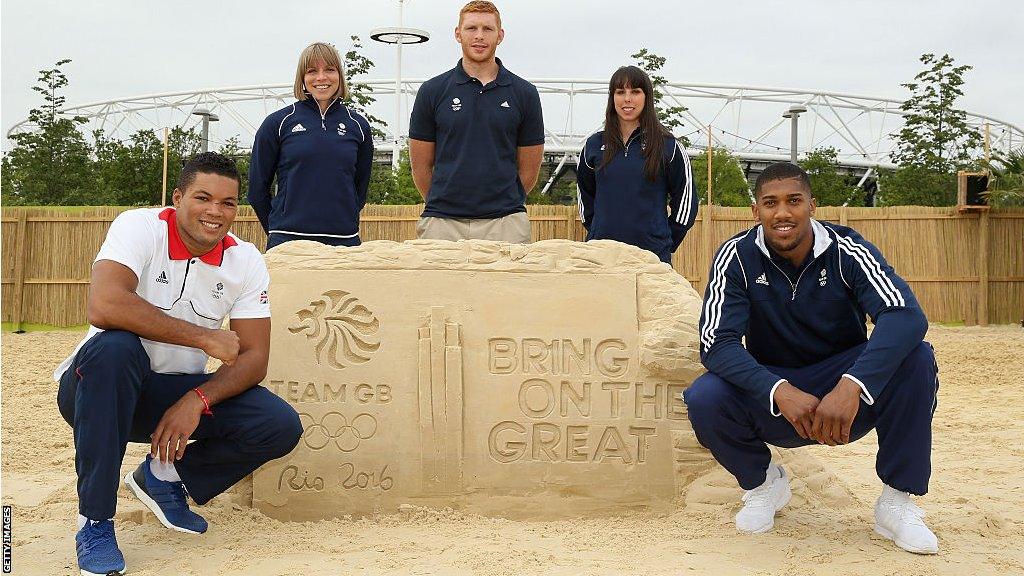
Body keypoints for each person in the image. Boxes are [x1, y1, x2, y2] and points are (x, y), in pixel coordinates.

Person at [55, 153, 302, 575]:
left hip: (170, 394)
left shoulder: (245, 260)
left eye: (228, 203)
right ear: (177, 197)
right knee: (116, 347)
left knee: (277, 423)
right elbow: (105, 304)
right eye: (203, 198)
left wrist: (197, 398)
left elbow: (254, 357)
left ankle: (164, 476)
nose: (215, 211)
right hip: (95, 388)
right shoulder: (139, 226)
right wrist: (205, 337)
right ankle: (94, 523)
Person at [683, 162, 940, 554]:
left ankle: (896, 502)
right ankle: (764, 485)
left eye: (793, 201)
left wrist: (853, 385)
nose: (782, 212)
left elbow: (905, 314)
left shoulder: (847, 249)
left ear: (812, 206)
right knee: (705, 396)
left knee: (917, 358)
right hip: (779, 396)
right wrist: (778, 389)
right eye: (770, 203)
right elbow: (716, 342)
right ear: (756, 212)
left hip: (847, 393)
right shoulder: (735, 256)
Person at [408, 0, 544, 243]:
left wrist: (504, 202)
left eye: (487, 29)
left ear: (500, 35)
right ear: (458, 34)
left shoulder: (525, 93)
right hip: (442, 224)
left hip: (506, 224)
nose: (479, 36)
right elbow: (420, 167)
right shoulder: (432, 91)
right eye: (471, 28)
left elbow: (530, 170)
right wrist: (445, 202)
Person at [249, 41, 374, 250]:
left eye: (330, 70)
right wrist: (276, 229)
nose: (321, 77)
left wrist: (345, 217)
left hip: (344, 242)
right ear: (302, 78)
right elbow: (256, 190)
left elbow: (359, 189)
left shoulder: (358, 126)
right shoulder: (278, 123)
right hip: (288, 241)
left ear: (339, 76)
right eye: (312, 71)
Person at [576, 66, 698, 264]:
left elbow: (686, 201)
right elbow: (585, 196)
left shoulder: (668, 146)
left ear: (646, 97)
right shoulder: (594, 145)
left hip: (651, 259)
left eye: (635, 91)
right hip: (600, 257)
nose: (627, 99)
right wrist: (598, 232)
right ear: (612, 97)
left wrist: (663, 241)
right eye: (620, 92)